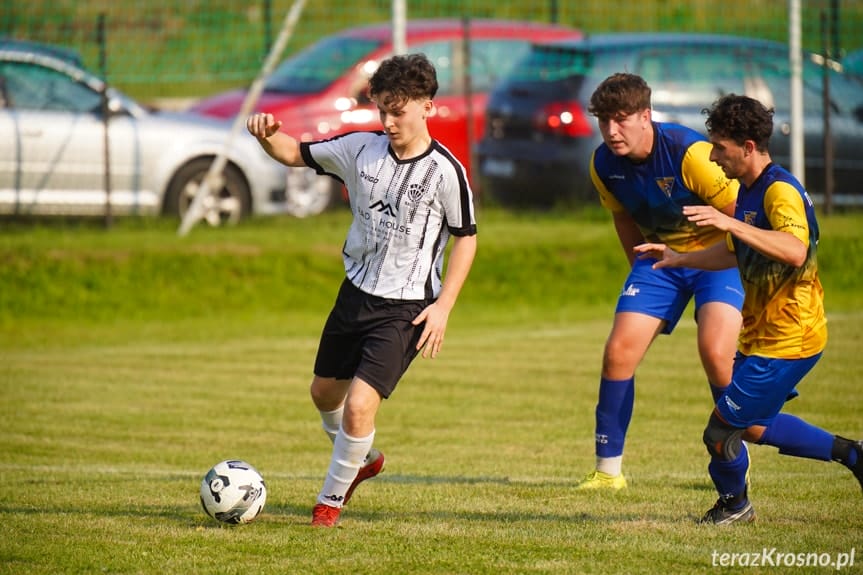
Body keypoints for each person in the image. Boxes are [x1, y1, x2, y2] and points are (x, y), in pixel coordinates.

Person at [246, 53, 477, 527]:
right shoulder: (360, 149)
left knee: (359, 406)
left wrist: (443, 308)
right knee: (323, 395)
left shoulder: (446, 172)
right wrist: (269, 136)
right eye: (383, 111)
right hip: (355, 293)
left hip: (408, 306)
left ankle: (329, 501)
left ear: (427, 106)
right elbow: (295, 152)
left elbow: (466, 239)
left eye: (400, 111)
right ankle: (363, 459)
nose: (389, 122)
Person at [634, 94, 863, 524]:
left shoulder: (779, 192)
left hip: (788, 339)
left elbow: (794, 250)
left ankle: (735, 505)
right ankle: (853, 454)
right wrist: (678, 257)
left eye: (720, 147)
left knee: (720, 432)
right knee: (753, 427)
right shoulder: (751, 190)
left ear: (749, 147)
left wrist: (730, 221)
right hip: (764, 336)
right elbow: (736, 249)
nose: (714, 156)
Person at [576, 73, 744, 490]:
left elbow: (740, 216)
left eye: (621, 119)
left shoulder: (691, 155)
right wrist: (639, 266)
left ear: (646, 115)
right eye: (603, 121)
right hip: (661, 261)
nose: (611, 131)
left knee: (716, 353)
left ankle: (734, 460)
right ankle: (607, 472)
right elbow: (621, 217)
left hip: (718, 259)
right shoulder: (603, 164)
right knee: (618, 353)